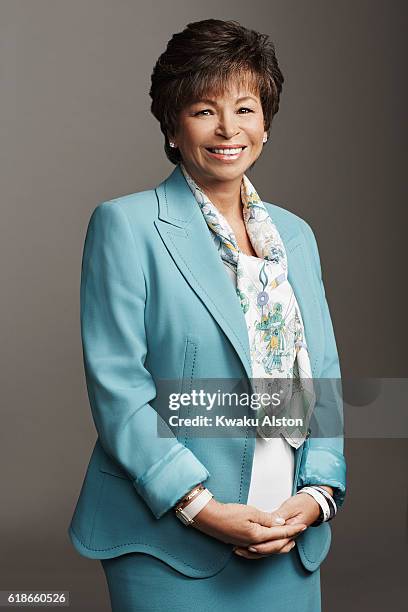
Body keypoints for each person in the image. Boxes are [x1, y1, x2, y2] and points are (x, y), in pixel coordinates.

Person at [68, 18, 346, 612]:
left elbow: (321, 374)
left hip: (288, 537)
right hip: (170, 539)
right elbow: (119, 387)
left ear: (265, 125)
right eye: (203, 109)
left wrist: (319, 492)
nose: (228, 129)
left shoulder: (295, 236)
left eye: (245, 108)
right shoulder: (126, 226)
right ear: (172, 126)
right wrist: (202, 507)